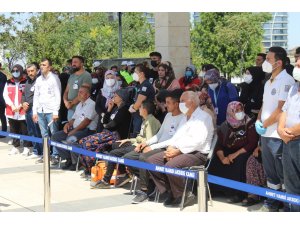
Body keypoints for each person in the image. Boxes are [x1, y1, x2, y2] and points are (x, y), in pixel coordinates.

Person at [146, 91, 214, 207]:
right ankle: (170, 191)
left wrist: (178, 151)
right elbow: (176, 137)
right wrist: (171, 148)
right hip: (180, 151)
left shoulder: (204, 117)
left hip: (197, 154)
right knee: (151, 161)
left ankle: (183, 193)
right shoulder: (185, 117)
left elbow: (198, 141)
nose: (180, 103)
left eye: (182, 101)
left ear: (191, 102)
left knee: (171, 166)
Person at [123, 89, 185, 203]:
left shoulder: (183, 118)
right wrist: (146, 143)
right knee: (128, 158)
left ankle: (144, 190)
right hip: (157, 145)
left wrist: (152, 147)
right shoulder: (168, 116)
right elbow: (159, 135)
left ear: (176, 104)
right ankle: (149, 181)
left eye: (168, 102)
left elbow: (173, 140)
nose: (166, 105)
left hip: (167, 148)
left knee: (143, 158)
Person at [255, 46, 295, 212]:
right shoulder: (269, 80)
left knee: (282, 173)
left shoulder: (286, 80)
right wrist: (259, 119)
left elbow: (281, 109)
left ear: (278, 62)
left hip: (277, 135)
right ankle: (272, 202)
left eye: (268, 59)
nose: (265, 62)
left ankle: (287, 205)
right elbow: (265, 105)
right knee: (270, 172)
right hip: (266, 134)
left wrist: (264, 124)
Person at [91, 101, 161, 189]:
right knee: (115, 145)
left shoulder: (151, 121)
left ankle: (108, 180)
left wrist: (134, 141)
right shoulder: (145, 120)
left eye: (140, 107)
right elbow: (140, 138)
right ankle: (122, 173)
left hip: (140, 147)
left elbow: (148, 141)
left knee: (114, 153)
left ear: (145, 110)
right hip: (136, 143)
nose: (139, 109)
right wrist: (128, 140)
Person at [208, 101, 258, 203]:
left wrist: (234, 155)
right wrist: (222, 158)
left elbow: (252, 143)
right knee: (215, 161)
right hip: (228, 150)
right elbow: (219, 145)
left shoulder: (249, 123)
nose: (240, 112)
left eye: (241, 110)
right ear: (230, 112)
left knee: (239, 161)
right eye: (236, 110)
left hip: (244, 150)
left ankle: (238, 194)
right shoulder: (224, 126)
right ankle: (216, 190)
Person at [79, 88, 131, 176]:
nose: (113, 97)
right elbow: (105, 120)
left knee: (88, 143)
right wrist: (109, 109)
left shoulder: (124, 109)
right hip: (106, 132)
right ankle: (88, 168)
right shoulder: (115, 108)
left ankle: (91, 168)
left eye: (116, 96)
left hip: (114, 135)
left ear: (122, 98)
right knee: (82, 141)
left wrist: (105, 125)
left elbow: (114, 123)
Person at [52, 85, 98, 171]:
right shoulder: (79, 104)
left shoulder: (92, 104)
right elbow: (74, 118)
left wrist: (74, 131)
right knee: (55, 137)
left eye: (81, 92)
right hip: (75, 128)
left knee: (71, 139)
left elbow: (86, 122)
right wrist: (67, 124)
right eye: (78, 92)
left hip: (87, 130)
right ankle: (68, 158)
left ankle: (76, 163)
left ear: (87, 95)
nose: (78, 94)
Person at [277, 57, 300, 212]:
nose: (296, 67)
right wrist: (280, 129)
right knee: (291, 182)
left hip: (296, 139)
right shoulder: (294, 87)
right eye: (296, 64)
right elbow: (284, 110)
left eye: (299, 65)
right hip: (288, 141)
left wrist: (290, 132)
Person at [32, 58, 62, 164]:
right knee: (44, 134)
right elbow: (36, 96)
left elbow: (58, 95)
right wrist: (34, 111)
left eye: (44, 65)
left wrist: (56, 112)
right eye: (41, 65)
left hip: (51, 111)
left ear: (49, 67)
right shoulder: (39, 79)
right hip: (40, 110)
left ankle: (55, 155)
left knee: (54, 133)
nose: (42, 66)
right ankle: (46, 155)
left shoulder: (54, 78)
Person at [3, 64, 31, 155]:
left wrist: (20, 106)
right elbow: (5, 95)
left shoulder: (26, 82)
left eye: (17, 71)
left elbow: (27, 95)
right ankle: (16, 147)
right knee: (13, 130)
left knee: (25, 129)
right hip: (11, 110)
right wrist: (12, 106)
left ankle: (27, 147)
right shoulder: (8, 82)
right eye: (13, 71)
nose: (15, 72)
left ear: (21, 71)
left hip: (23, 110)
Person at [21, 64, 43, 158]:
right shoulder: (27, 81)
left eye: (32, 71)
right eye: (28, 71)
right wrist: (23, 103)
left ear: (37, 70)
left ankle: (42, 152)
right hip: (27, 110)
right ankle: (35, 151)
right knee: (31, 131)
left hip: (36, 110)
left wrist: (28, 104)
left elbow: (38, 96)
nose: (30, 73)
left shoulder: (40, 81)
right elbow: (23, 95)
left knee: (38, 131)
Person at [129, 64, 156, 137]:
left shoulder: (146, 85)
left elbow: (139, 101)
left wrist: (133, 108)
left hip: (143, 115)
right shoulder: (140, 85)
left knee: (138, 136)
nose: (133, 74)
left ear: (141, 74)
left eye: (135, 72)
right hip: (138, 115)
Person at [63, 56, 92, 120]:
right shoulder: (72, 75)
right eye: (73, 62)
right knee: (70, 128)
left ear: (82, 64)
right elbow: (66, 91)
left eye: (75, 62)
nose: (73, 64)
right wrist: (65, 102)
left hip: (81, 109)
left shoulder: (86, 75)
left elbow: (83, 93)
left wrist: (71, 104)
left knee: (77, 129)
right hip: (70, 108)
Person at [0, 62, 7, 138]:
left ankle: (4, 132)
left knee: (2, 115)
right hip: (2, 98)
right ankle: (4, 132)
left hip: (2, 99)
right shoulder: (4, 76)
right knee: (2, 115)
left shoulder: (3, 76)